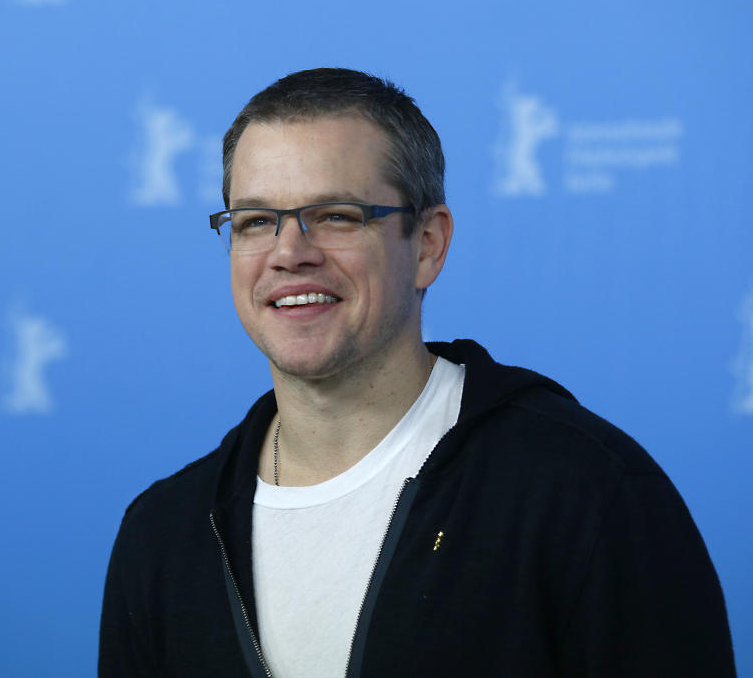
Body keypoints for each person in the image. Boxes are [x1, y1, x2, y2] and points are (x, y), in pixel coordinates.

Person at [98, 68, 735, 677]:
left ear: (427, 245)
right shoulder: (165, 534)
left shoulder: (584, 490)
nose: (289, 254)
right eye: (257, 221)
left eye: (336, 215)